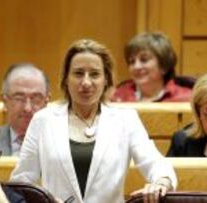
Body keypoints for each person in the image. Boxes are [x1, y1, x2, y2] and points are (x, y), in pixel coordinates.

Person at [10, 39, 177, 203]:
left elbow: (156, 164)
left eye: (95, 74)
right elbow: (22, 183)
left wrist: (161, 183)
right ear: (66, 79)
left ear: (106, 80)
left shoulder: (125, 119)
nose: (86, 82)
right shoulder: (43, 120)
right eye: (78, 73)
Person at [110, 32, 193, 102]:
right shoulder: (118, 96)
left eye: (144, 60)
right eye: (132, 62)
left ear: (163, 65)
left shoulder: (187, 98)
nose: (136, 66)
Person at [0, 63, 50, 156]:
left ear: (46, 102)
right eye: (19, 98)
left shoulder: (63, 144)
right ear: (5, 101)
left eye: (36, 98)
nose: (27, 108)